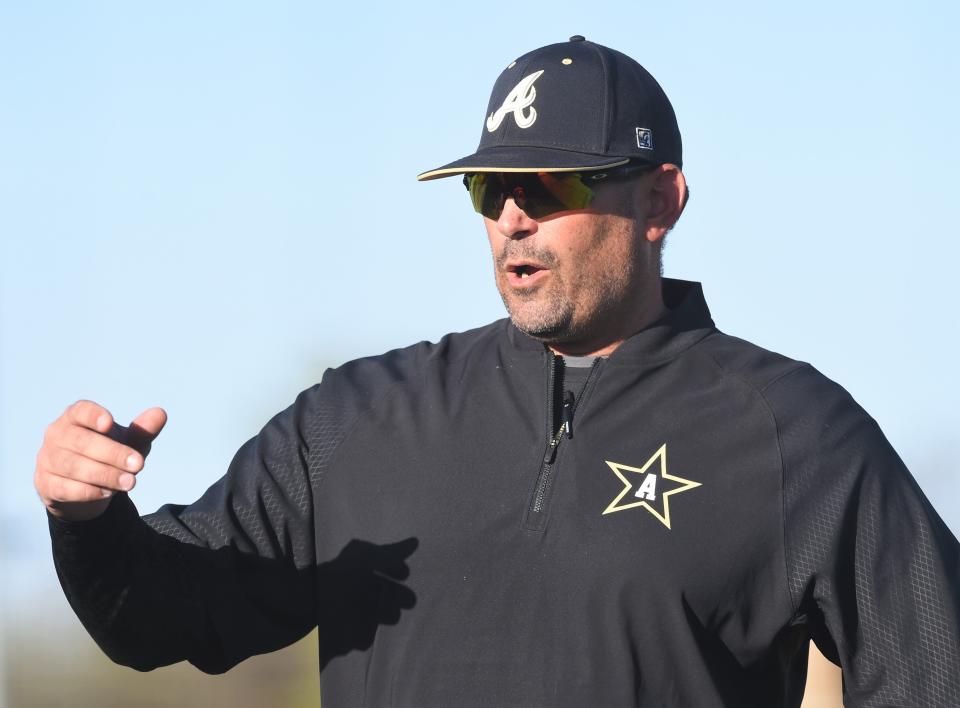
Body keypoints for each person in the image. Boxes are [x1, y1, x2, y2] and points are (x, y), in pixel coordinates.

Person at [35, 36, 960, 707]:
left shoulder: (796, 431)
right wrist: (89, 524)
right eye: (490, 189)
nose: (512, 216)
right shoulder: (359, 418)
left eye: (551, 185)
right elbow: (163, 618)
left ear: (659, 199)